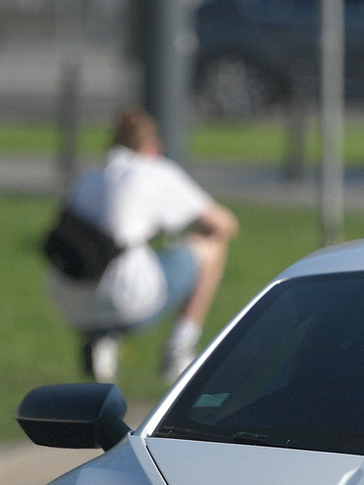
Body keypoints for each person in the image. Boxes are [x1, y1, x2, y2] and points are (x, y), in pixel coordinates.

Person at [45, 106, 240, 384]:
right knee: (211, 246)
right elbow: (225, 223)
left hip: (67, 298)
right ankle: (179, 349)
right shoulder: (152, 171)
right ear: (153, 145)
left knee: (119, 259)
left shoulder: (88, 178)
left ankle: (102, 341)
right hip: (129, 299)